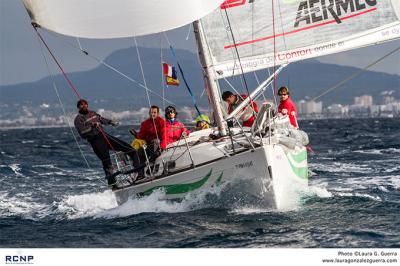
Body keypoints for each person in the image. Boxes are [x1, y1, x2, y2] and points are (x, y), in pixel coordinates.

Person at [74, 99, 134, 187]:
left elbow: (101, 119)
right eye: (81, 105)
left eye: (85, 104)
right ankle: (113, 184)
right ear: (78, 107)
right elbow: (82, 132)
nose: (84, 106)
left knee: (127, 147)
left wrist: (110, 122)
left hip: (103, 135)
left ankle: (137, 168)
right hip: (95, 140)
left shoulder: (93, 113)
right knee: (106, 160)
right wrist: (92, 126)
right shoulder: (78, 119)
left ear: (87, 105)